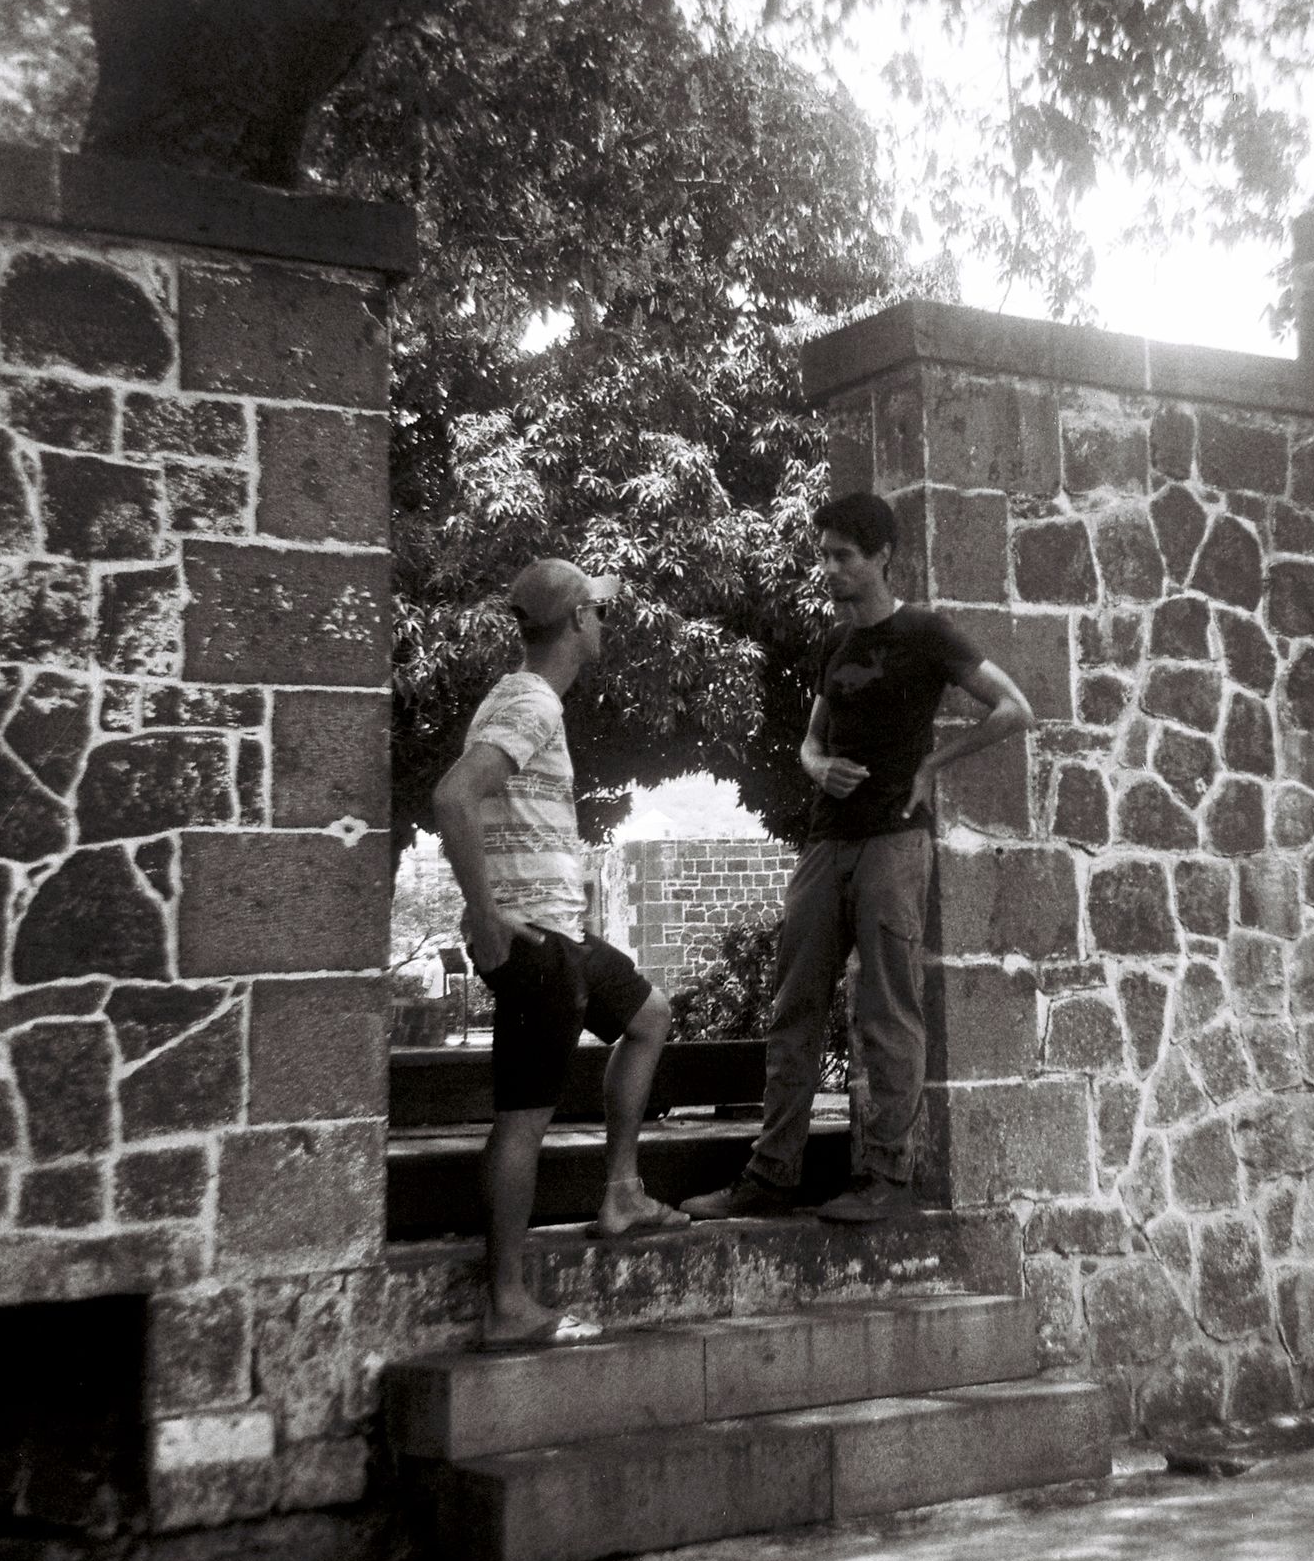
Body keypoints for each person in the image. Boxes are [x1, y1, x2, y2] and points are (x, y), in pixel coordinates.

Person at [682, 493, 1034, 1226]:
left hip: (893, 841)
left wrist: (933, 764)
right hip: (827, 839)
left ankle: (886, 1175)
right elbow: (812, 743)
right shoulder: (834, 644)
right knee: (794, 1005)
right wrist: (818, 769)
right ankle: (770, 1176)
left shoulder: (925, 632)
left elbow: (1013, 709)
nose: (830, 568)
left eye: (844, 555)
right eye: (824, 555)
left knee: (886, 1009)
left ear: (881, 557)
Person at [433, 558, 686, 1351]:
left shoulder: (526, 697)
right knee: (523, 1121)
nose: (605, 623)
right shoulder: (531, 701)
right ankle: (506, 1304)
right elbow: (453, 797)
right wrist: (485, 915)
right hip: (534, 942)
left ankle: (622, 1193)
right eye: (598, 612)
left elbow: (477, 805)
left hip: (560, 934)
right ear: (577, 620)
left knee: (649, 1015)